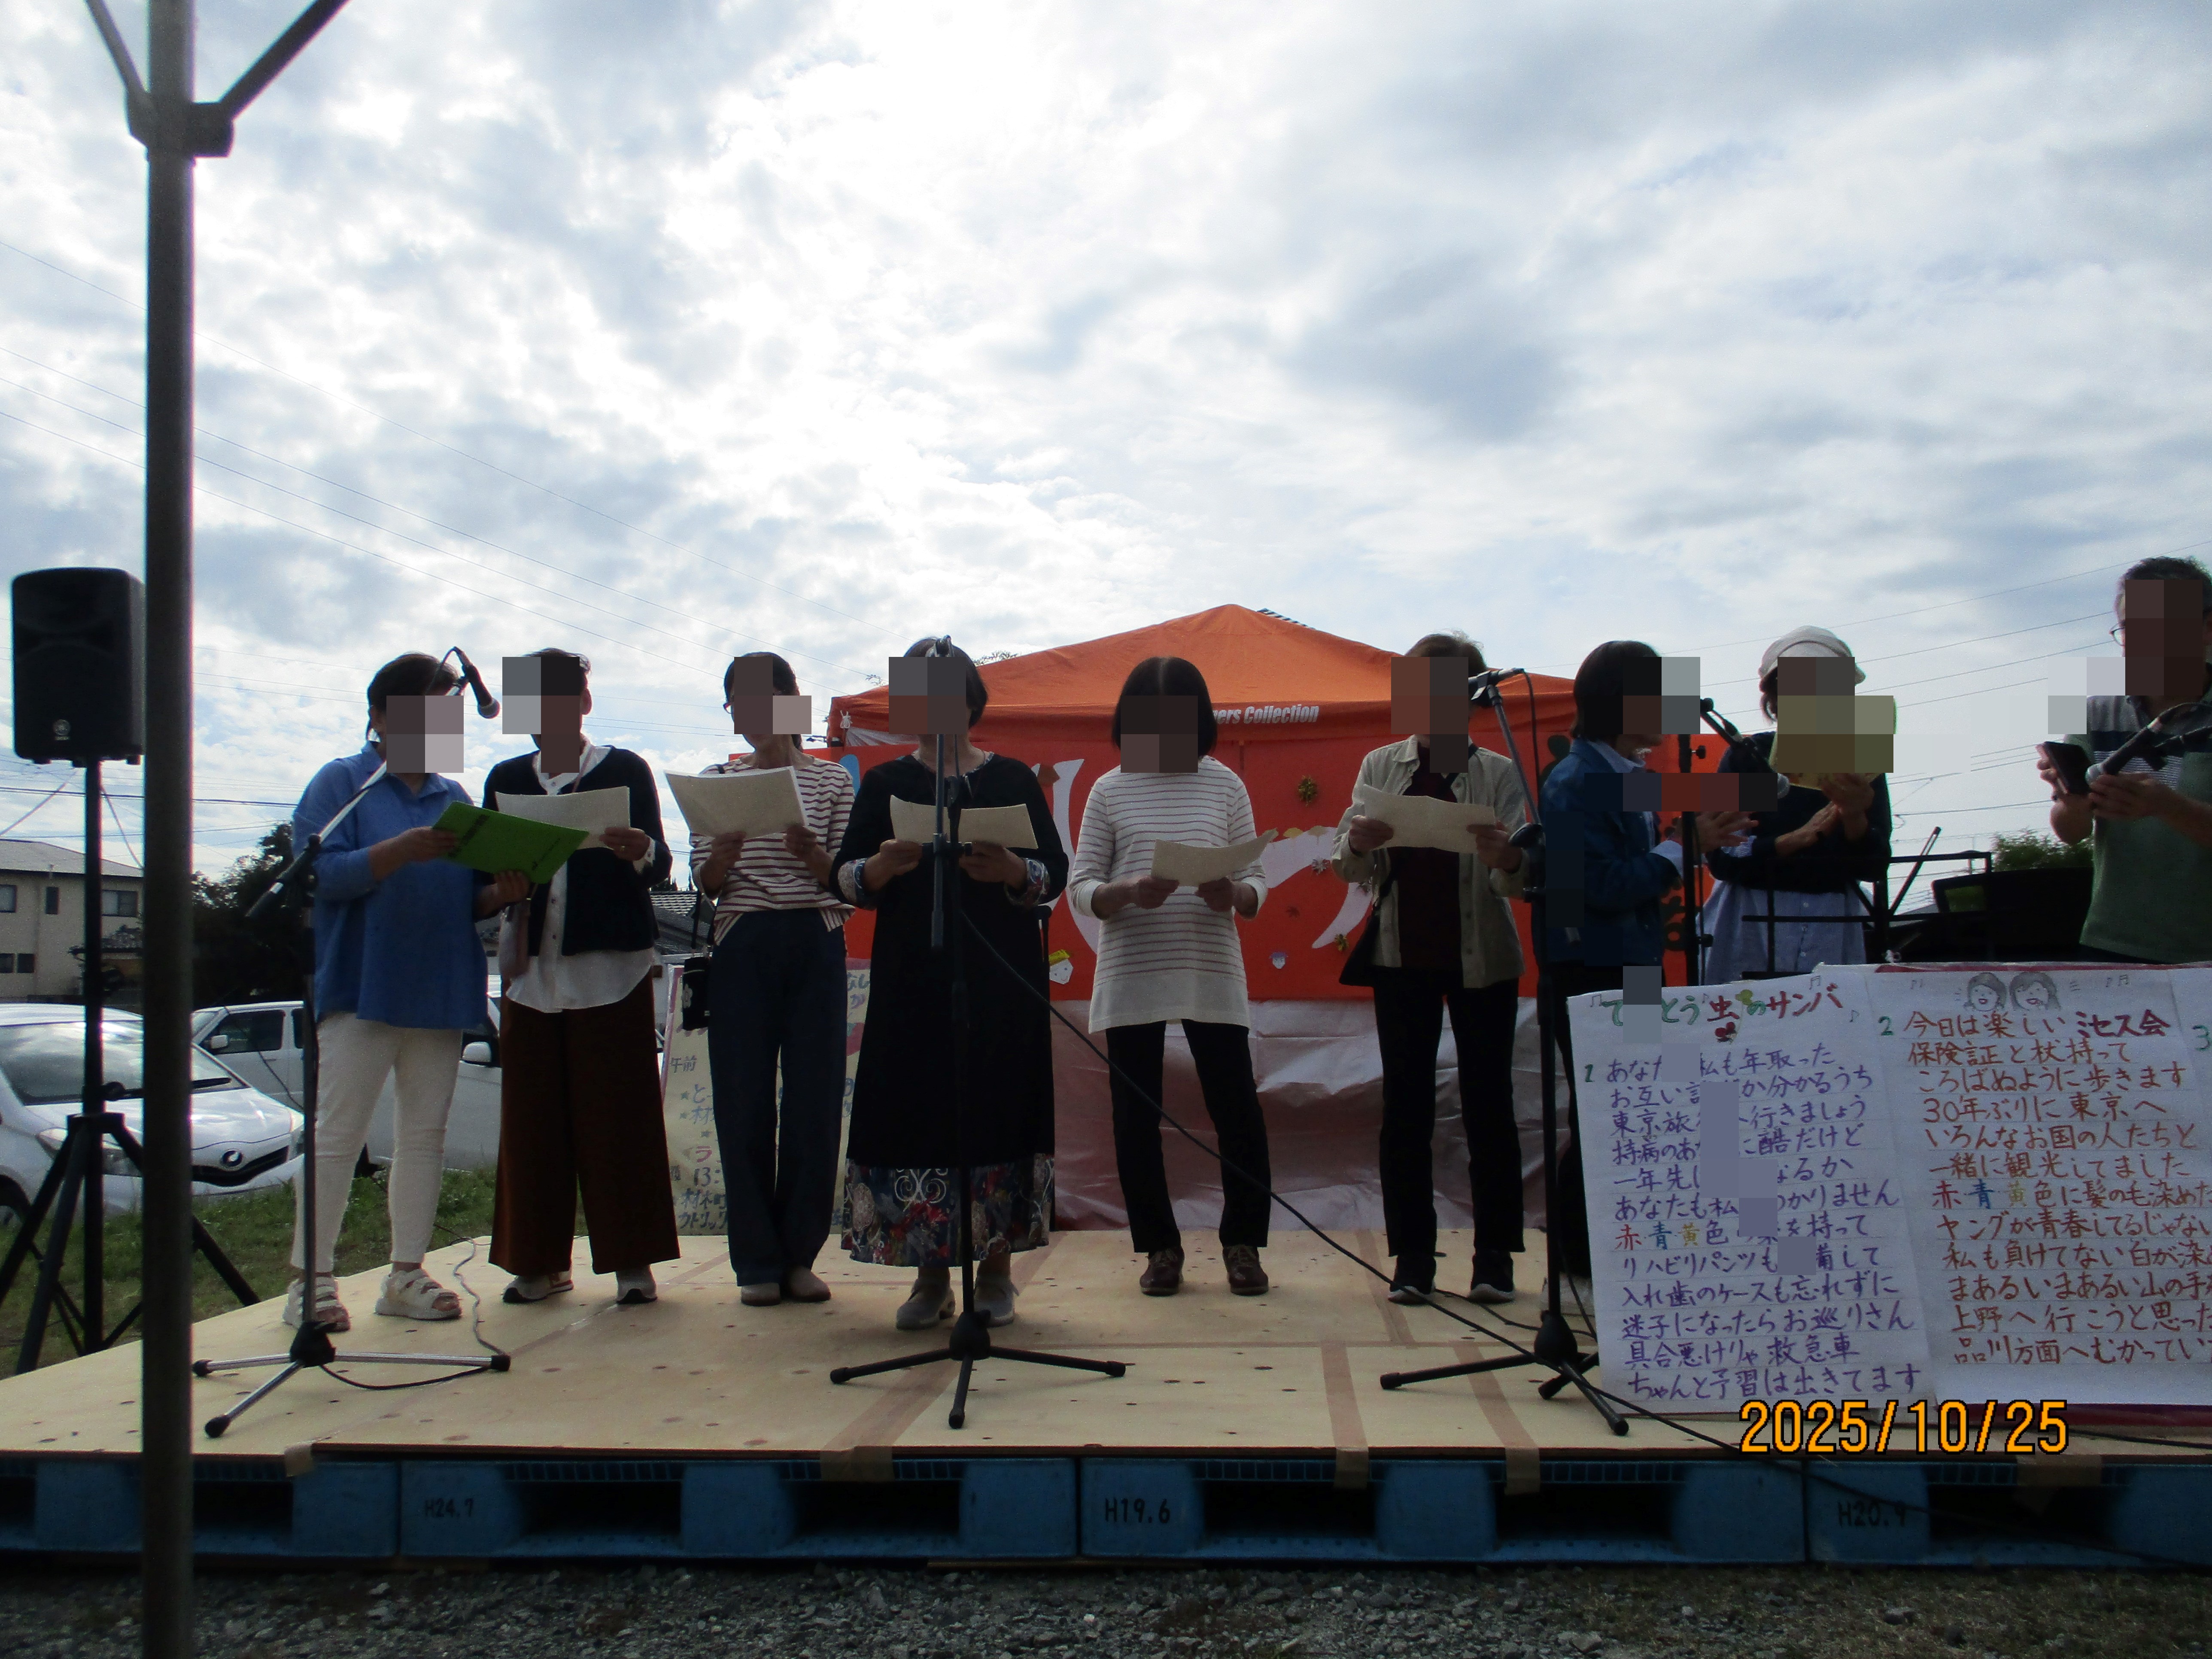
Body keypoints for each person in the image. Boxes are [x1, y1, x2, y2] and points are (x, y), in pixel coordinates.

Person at [286, 653, 530, 1330]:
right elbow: (317, 875)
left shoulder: (456, 799)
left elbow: (468, 898)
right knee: (339, 1136)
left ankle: (406, 1273)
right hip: (361, 985)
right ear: (380, 716)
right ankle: (311, 1281)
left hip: (441, 984)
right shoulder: (343, 782)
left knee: (425, 1136)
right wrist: (398, 850)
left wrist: (502, 893)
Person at [830, 639, 1066, 1329]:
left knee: (997, 1108)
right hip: (913, 980)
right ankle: (929, 1278)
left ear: (970, 702)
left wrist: (1016, 872)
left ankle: (997, 1274)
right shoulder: (885, 782)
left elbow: (1054, 870)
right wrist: (879, 867)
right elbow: (844, 878)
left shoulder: (1012, 778)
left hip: (1000, 982)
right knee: (920, 1113)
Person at [1332, 631, 1531, 1306]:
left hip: (1485, 958)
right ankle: (1413, 1258)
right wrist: (1359, 842)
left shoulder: (1498, 772)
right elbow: (1349, 864)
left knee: (1490, 1105)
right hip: (1402, 955)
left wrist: (1509, 858)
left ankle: (1495, 1257)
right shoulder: (1382, 764)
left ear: (1471, 696)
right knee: (1406, 1108)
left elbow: (1519, 878)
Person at [1541, 640, 1752, 1273]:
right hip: (1591, 970)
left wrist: (1685, 842)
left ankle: (1617, 1251)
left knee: (1635, 1104)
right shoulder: (1574, 781)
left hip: (1633, 964)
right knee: (1602, 1107)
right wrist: (1682, 849)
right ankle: (1580, 1259)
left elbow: (1635, 866)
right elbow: (1595, 888)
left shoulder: (1625, 776)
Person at [1070, 656, 1274, 1298]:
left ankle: (1243, 1246)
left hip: (1210, 966)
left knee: (1237, 1109)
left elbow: (1256, 879)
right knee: (1135, 1117)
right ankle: (1160, 1249)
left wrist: (1234, 893)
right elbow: (1080, 888)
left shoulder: (1225, 785)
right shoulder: (1109, 789)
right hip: (1133, 968)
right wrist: (1128, 890)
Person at [485, 648, 679, 1309]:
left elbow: (660, 862)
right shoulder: (506, 778)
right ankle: (537, 1263)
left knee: (619, 1118)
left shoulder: (625, 770)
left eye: (558, 697)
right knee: (532, 1123)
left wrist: (640, 850)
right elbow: (485, 872)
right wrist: (503, 883)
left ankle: (633, 1261)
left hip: (611, 971)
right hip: (531, 974)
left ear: (584, 703)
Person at [693, 652, 856, 1308]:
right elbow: (707, 886)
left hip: (815, 937)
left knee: (815, 1100)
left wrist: (813, 857)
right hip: (743, 940)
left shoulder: (832, 781)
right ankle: (756, 1261)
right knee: (744, 1101)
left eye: (764, 698)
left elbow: (848, 879)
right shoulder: (717, 781)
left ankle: (799, 1257)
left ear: (792, 701)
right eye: (739, 702)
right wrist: (720, 858)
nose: (751, 712)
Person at [2039, 555, 2212, 962]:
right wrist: (2072, 801)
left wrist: (2169, 807)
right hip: (2113, 943)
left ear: (2208, 628)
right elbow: (2069, 832)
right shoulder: (2093, 712)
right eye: (2130, 628)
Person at [1701, 627, 1892, 985]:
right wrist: (1796, 839)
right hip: (1750, 920)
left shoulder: (1859, 761)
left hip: (1832, 924)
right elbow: (1722, 857)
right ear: (1775, 698)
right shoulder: (1751, 757)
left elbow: (1874, 866)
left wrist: (1853, 816)